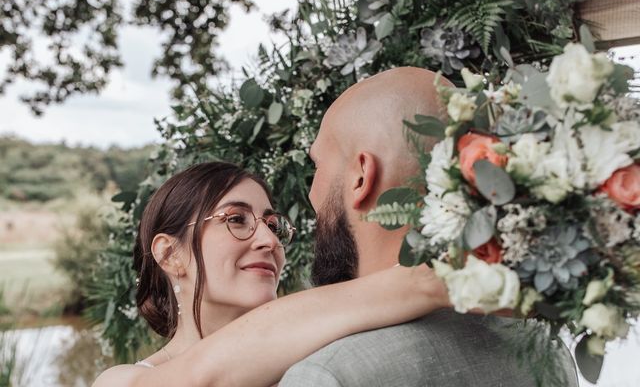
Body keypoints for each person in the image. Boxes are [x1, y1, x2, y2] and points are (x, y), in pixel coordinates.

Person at [280, 66, 579, 386]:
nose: (312, 193)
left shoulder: (327, 374)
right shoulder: (550, 351)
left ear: (361, 177)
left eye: (318, 165)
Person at [92, 161, 451, 387]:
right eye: (235, 219)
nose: (269, 240)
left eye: (272, 224)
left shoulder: (325, 363)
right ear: (170, 255)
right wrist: (431, 280)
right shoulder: (123, 381)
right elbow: (204, 376)